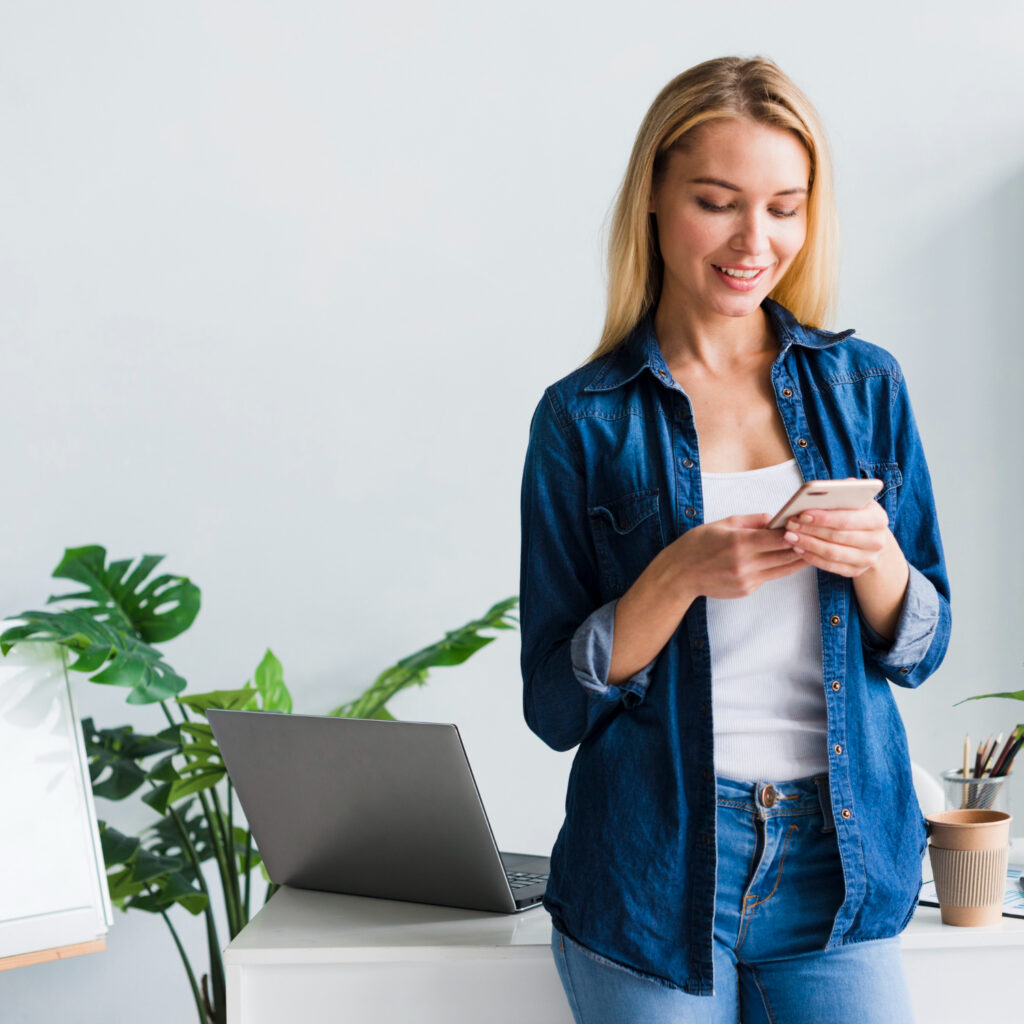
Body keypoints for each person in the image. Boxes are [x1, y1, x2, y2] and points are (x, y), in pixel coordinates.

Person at [519, 56, 950, 1024]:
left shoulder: (864, 386)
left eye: (785, 208)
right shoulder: (583, 418)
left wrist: (875, 557)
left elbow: (922, 643)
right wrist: (671, 577)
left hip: (838, 865)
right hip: (652, 867)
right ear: (654, 203)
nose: (754, 241)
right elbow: (552, 703)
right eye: (717, 202)